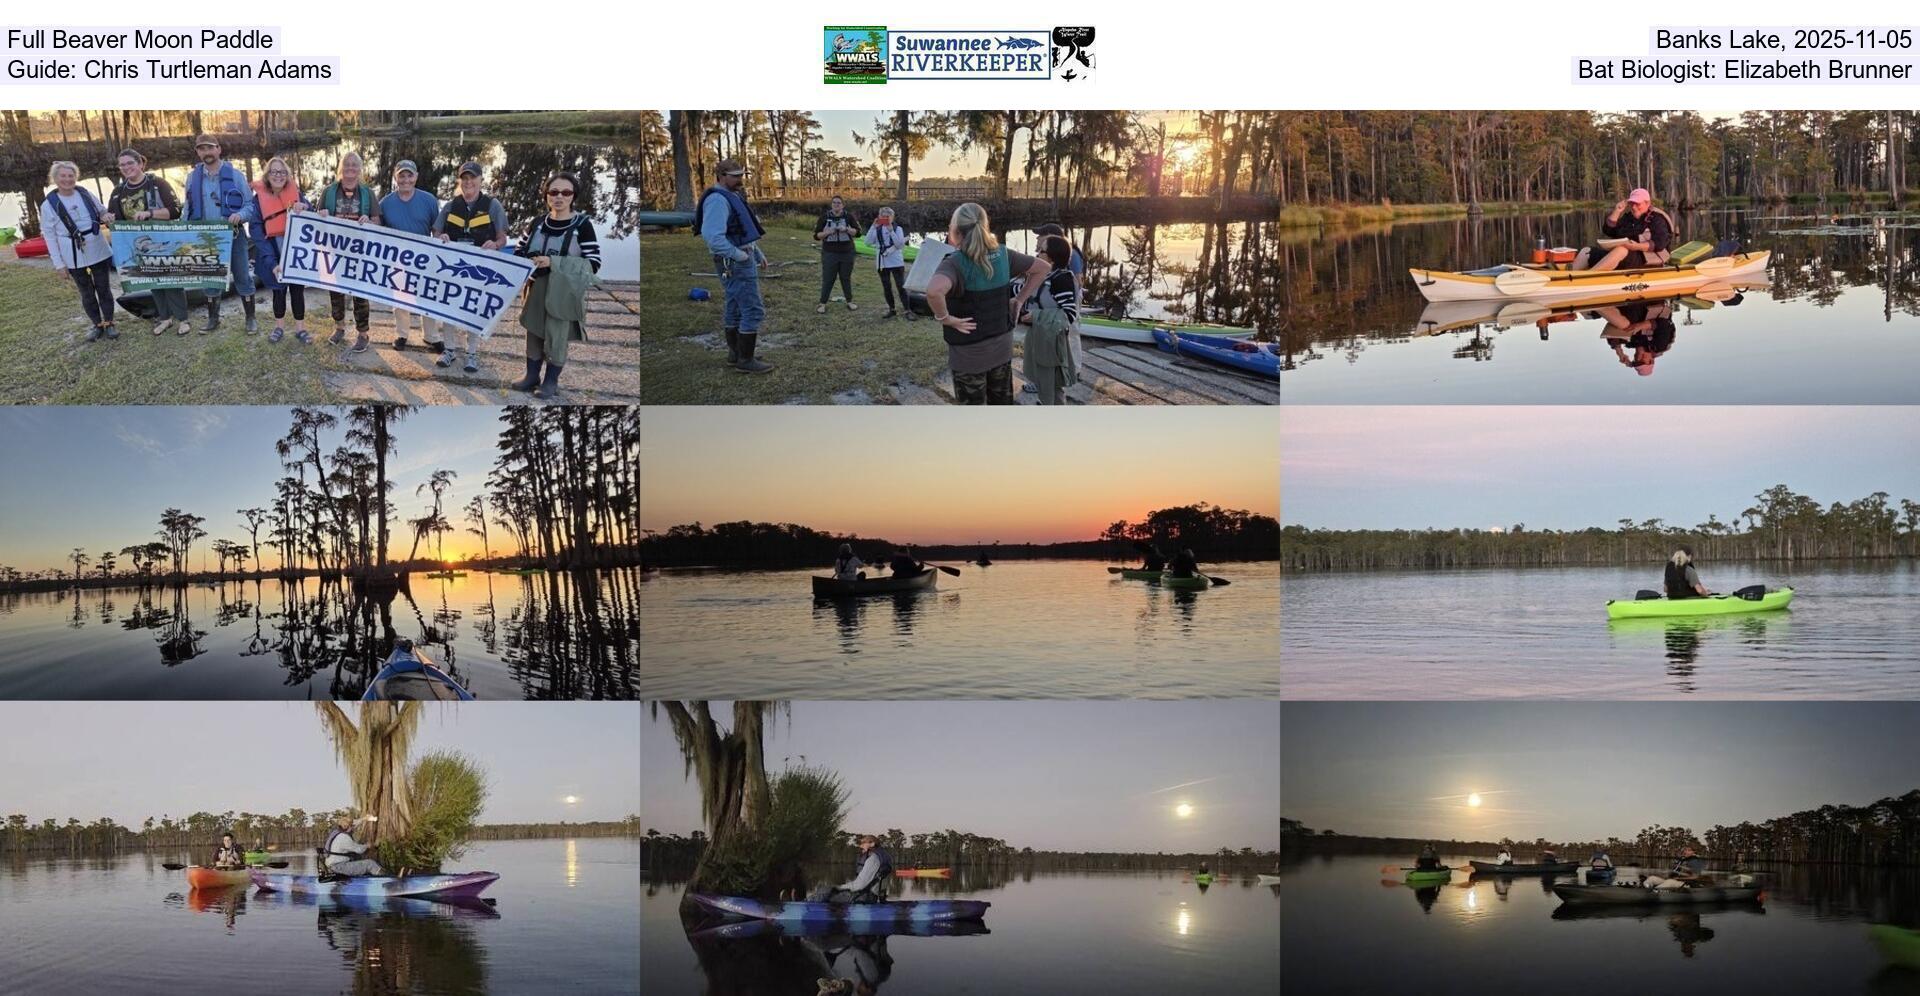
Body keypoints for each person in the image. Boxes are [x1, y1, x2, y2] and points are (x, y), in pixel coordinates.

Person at [922, 203, 1051, 405]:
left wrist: (945, 318)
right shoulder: (1004, 255)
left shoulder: (955, 263)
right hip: (1001, 349)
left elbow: (934, 291)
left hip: (969, 358)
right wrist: (1019, 299)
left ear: (955, 230)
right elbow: (1043, 268)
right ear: (985, 226)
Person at [515, 170, 602, 399]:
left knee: (556, 337)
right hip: (535, 289)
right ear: (546, 195)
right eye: (554, 192)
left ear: (573, 196)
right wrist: (528, 261)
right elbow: (518, 252)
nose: (559, 197)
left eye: (566, 192)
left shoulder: (582, 226)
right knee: (533, 333)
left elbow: (593, 264)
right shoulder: (536, 223)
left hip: (564, 293)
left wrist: (554, 262)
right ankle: (530, 376)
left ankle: (550, 382)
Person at [696, 159, 771, 372]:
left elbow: (740, 232)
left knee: (735, 304)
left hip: (738, 258)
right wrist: (741, 256)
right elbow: (713, 237)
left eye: (741, 175)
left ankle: (737, 353)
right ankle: (746, 360)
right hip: (734, 262)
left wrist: (756, 252)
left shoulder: (731, 196)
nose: (740, 179)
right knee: (752, 309)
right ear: (721, 176)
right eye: (735, 176)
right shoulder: (718, 201)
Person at [107, 148, 187, 335]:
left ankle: (183, 319)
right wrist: (109, 218)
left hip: (163, 240)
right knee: (153, 280)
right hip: (138, 244)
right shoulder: (118, 191)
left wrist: (150, 213)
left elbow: (176, 211)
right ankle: (165, 318)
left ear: (140, 163)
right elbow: (115, 218)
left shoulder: (158, 183)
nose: (127, 168)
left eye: (130, 163)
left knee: (171, 280)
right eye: (122, 165)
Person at [182, 135, 257, 333]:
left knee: (243, 277)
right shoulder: (192, 177)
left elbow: (250, 206)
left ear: (218, 149)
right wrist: (183, 229)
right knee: (209, 279)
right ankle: (213, 319)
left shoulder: (235, 175)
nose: (206, 152)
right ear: (198, 152)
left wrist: (240, 215)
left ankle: (250, 319)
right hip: (205, 239)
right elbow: (187, 207)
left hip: (233, 235)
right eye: (201, 149)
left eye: (210, 148)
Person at [233, 156, 311, 343]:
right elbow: (257, 233)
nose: (278, 175)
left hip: (295, 253)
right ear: (268, 175)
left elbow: (312, 214)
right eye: (274, 172)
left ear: (287, 175)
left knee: (297, 290)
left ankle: (300, 329)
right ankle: (279, 327)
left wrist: (306, 207)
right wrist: (272, 263)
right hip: (272, 251)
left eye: (282, 172)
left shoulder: (296, 194)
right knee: (278, 291)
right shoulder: (258, 200)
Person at [379, 160, 449, 363]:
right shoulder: (386, 202)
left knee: (427, 296)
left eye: (409, 175)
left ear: (416, 177)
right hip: (398, 258)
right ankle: (402, 334)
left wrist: (442, 239)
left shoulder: (429, 200)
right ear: (395, 177)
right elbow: (379, 232)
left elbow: (436, 230)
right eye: (402, 175)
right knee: (400, 298)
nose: (406, 180)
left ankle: (431, 336)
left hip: (424, 257)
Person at [39, 161, 116, 341]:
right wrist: (59, 264)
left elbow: (101, 210)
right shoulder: (48, 205)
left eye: (71, 175)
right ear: (55, 178)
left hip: (97, 246)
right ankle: (97, 325)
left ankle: (110, 322)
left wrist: (105, 216)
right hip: (72, 252)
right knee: (86, 292)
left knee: (104, 288)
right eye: (63, 176)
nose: (67, 179)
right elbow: (49, 236)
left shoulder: (85, 193)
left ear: (76, 176)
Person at [315, 152, 381, 349]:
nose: (350, 168)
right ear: (341, 168)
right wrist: (322, 214)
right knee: (335, 292)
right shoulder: (328, 191)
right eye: (347, 164)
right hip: (334, 251)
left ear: (360, 169)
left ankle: (363, 333)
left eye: (355, 165)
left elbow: (377, 220)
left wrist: (369, 221)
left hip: (359, 252)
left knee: (360, 294)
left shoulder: (368, 193)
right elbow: (315, 219)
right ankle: (339, 327)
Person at [1017, 234, 1082, 405]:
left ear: (1052, 257)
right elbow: (1021, 290)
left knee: (1051, 384)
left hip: (1051, 341)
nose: (1037, 254)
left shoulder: (1062, 279)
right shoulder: (1043, 275)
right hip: (1038, 336)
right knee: (1043, 381)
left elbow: (1068, 315)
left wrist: (1036, 316)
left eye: (1041, 250)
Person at [1586, 188, 1675, 272]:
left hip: (1649, 260)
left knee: (1621, 249)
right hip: (1626, 257)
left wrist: (1635, 246)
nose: (1634, 207)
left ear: (1647, 203)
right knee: (1586, 251)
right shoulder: (1628, 218)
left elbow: (1659, 244)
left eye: (1638, 204)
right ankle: (1574, 279)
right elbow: (1609, 231)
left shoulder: (1657, 219)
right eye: (1632, 203)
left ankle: (1586, 278)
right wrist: (1617, 211)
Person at [807, 834, 892, 904]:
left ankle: (804, 906)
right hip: (872, 896)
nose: (860, 845)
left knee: (825, 892)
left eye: (863, 843)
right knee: (824, 890)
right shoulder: (883, 857)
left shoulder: (873, 859)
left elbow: (859, 885)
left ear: (872, 844)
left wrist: (839, 887)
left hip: (862, 897)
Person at [865, 206, 913, 319]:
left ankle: (907, 310)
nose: (886, 218)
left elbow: (900, 245)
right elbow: (867, 242)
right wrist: (873, 227)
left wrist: (891, 231)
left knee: (901, 286)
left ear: (892, 217)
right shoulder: (876, 229)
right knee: (886, 286)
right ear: (879, 217)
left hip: (896, 261)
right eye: (883, 216)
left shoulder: (898, 229)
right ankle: (892, 309)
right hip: (882, 262)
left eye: (888, 216)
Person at [815, 195, 861, 314]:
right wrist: (827, 232)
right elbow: (816, 236)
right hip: (830, 253)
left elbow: (858, 233)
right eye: (834, 203)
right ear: (831, 205)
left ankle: (849, 301)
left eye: (839, 203)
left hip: (847, 253)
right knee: (828, 279)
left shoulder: (848, 216)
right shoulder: (824, 217)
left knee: (846, 278)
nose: (836, 205)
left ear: (843, 205)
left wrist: (846, 229)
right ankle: (822, 303)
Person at [321, 813, 386, 878]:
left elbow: (355, 824)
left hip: (332, 866)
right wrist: (367, 845)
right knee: (370, 864)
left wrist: (364, 819)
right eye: (352, 826)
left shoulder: (337, 832)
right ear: (348, 827)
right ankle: (386, 879)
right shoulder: (344, 838)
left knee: (359, 859)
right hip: (339, 867)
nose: (354, 828)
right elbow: (359, 850)